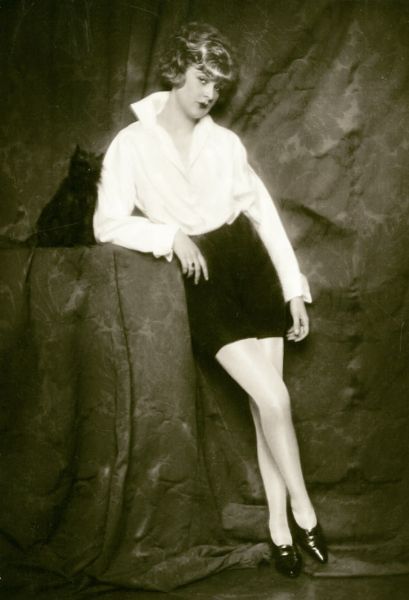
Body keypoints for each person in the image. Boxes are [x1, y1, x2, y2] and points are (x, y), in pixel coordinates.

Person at [93, 21, 328, 578]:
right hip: (201, 280)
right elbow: (107, 223)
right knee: (273, 398)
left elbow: (264, 217)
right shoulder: (131, 144)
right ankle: (306, 511)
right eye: (202, 79)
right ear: (177, 71)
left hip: (250, 267)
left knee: (266, 407)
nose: (209, 93)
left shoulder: (225, 143)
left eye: (218, 85)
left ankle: (279, 529)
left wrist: (293, 288)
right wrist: (168, 236)